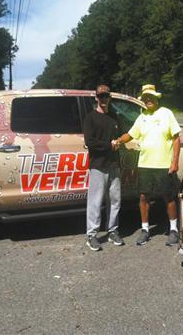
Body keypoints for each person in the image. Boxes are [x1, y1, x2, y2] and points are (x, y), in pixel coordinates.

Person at [116, 84, 181, 246]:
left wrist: (174, 162)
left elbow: (176, 138)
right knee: (144, 197)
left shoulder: (166, 113)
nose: (148, 100)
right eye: (145, 98)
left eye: (151, 97)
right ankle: (145, 230)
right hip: (145, 164)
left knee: (168, 197)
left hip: (164, 164)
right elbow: (130, 135)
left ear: (156, 98)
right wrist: (118, 140)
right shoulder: (142, 117)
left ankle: (173, 230)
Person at [83, 85, 124, 251]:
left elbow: (120, 138)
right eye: (100, 96)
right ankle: (91, 234)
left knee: (115, 200)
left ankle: (113, 230)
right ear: (96, 98)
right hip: (98, 166)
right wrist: (110, 145)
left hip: (114, 165)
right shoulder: (90, 118)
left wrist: (120, 142)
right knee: (95, 201)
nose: (103, 99)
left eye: (106, 96)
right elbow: (90, 142)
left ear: (110, 97)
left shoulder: (115, 117)